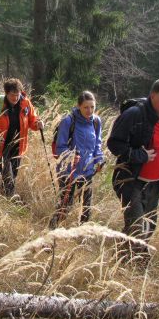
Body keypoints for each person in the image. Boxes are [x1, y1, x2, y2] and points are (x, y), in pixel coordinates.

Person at [107, 76, 159, 246]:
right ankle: (132, 266)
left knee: (149, 226)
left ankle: (122, 257)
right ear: (152, 95)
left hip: (156, 184)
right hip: (130, 180)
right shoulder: (135, 114)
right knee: (137, 228)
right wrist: (138, 155)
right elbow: (114, 143)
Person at [49, 91, 105, 229]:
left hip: (87, 170)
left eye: (92, 107)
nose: (89, 110)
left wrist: (99, 159)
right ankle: (52, 229)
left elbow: (97, 144)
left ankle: (83, 233)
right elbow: (59, 147)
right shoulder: (68, 121)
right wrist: (71, 155)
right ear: (78, 106)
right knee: (66, 204)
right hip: (68, 171)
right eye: (86, 107)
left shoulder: (96, 122)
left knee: (86, 206)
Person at [0, 78, 44, 200]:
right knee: (8, 177)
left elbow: (33, 121)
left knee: (13, 176)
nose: (15, 98)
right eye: (12, 95)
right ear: (6, 93)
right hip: (3, 147)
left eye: (18, 95)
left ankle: (2, 195)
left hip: (18, 147)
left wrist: (38, 124)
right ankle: (10, 201)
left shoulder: (25, 103)